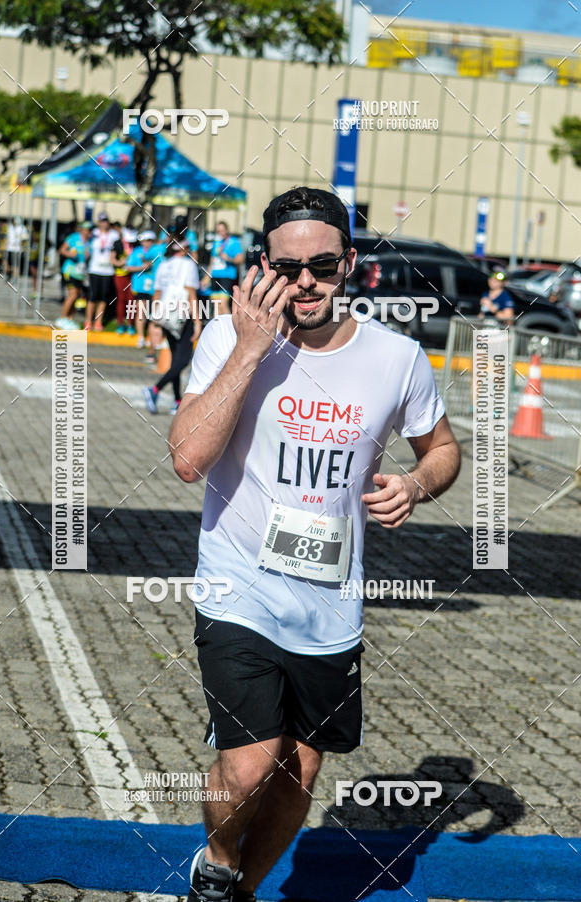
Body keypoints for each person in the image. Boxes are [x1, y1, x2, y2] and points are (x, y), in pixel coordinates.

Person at [169, 186, 461, 902]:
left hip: (330, 604)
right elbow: (186, 459)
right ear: (262, 267)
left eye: (323, 266)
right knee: (248, 765)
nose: (305, 282)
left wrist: (417, 485)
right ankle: (216, 860)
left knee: (298, 770)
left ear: (350, 265)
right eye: (288, 266)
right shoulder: (225, 339)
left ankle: (237, 892)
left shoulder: (396, 359)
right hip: (237, 583)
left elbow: (444, 449)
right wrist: (248, 349)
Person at [142, 235, 201, 415]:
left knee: (175, 358)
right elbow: (191, 293)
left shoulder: (163, 265)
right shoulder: (189, 265)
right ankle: (154, 389)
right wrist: (197, 322)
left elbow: (157, 294)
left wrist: (155, 318)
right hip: (183, 315)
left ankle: (177, 401)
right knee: (183, 360)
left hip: (166, 314)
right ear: (183, 249)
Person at [126, 230, 164, 357]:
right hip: (140, 286)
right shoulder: (136, 252)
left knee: (156, 313)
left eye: (148, 240)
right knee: (141, 312)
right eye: (144, 240)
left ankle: (155, 339)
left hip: (156, 287)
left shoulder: (158, 250)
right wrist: (142, 268)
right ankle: (141, 337)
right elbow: (128, 267)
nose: (146, 243)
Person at [201, 220, 244, 315]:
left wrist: (228, 258)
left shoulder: (234, 242)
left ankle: (229, 328)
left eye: (222, 230)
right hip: (215, 275)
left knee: (223, 304)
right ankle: (219, 328)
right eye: (218, 231)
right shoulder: (217, 243)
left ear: (227, 230)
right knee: (216, 305)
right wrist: (206, 277)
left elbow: (240, 259)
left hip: (226, 276)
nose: (221, 233)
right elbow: (212, 262)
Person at [85, 212, 118, 331]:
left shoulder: (114, 235)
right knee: (92, 297)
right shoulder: (93, 233)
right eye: (102, 221)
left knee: (103, 298)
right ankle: (88, 321)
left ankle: (98, 321)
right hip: (94, 269)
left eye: (106, 221)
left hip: (108, 270)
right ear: (98, 222)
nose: (104, 223)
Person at [56, 221, 91, 329]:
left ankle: (69, 319)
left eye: (90, 230)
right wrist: (71, 254)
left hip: (80, 272)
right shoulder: (74, 237)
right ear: (82, 229)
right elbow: (61, 250)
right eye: (87, 229)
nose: (89, 232)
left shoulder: (89, 242)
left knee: (77, 295)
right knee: (73, 294)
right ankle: (62, 318)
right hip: (70, 270)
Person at [111, 222, 137, 334]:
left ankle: (131, 324)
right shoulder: (117, 243)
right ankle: (120, 324)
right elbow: (112, 260)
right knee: (121, 300)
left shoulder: (136, 244)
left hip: (133, 276)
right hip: (120, 276)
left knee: (131, 301)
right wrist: (120, 262)